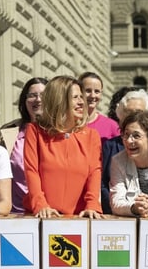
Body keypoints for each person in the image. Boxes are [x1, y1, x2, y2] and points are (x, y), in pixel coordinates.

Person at [23, 75, 102, 219]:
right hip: (42, 216)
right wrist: (40, 205)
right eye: (75, 97)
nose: (81, 102)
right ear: (59, 100)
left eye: (81, 97)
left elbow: (94, 173)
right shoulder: (35, 131)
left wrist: (92, 205)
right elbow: (31, 171)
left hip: (78, 217)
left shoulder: (92, 136)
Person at [101, 88, 148, 213]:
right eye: (128, 112)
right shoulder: (110, 147)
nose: (133, 117)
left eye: (138, 112)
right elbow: (103, 184)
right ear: (121, 115)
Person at [0, 77, 48, 213]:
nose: (38, 99)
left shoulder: (60, 133)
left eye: (43, 95)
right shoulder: (9, 131)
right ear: (25, 100)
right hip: (16, 213)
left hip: (49, 212)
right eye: (32, 95)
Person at [79, 72, 120, 143]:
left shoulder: (112, 126)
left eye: (97, 91)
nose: (92, 95)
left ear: (101, 94)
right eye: (88, 91)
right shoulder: (69, 125)